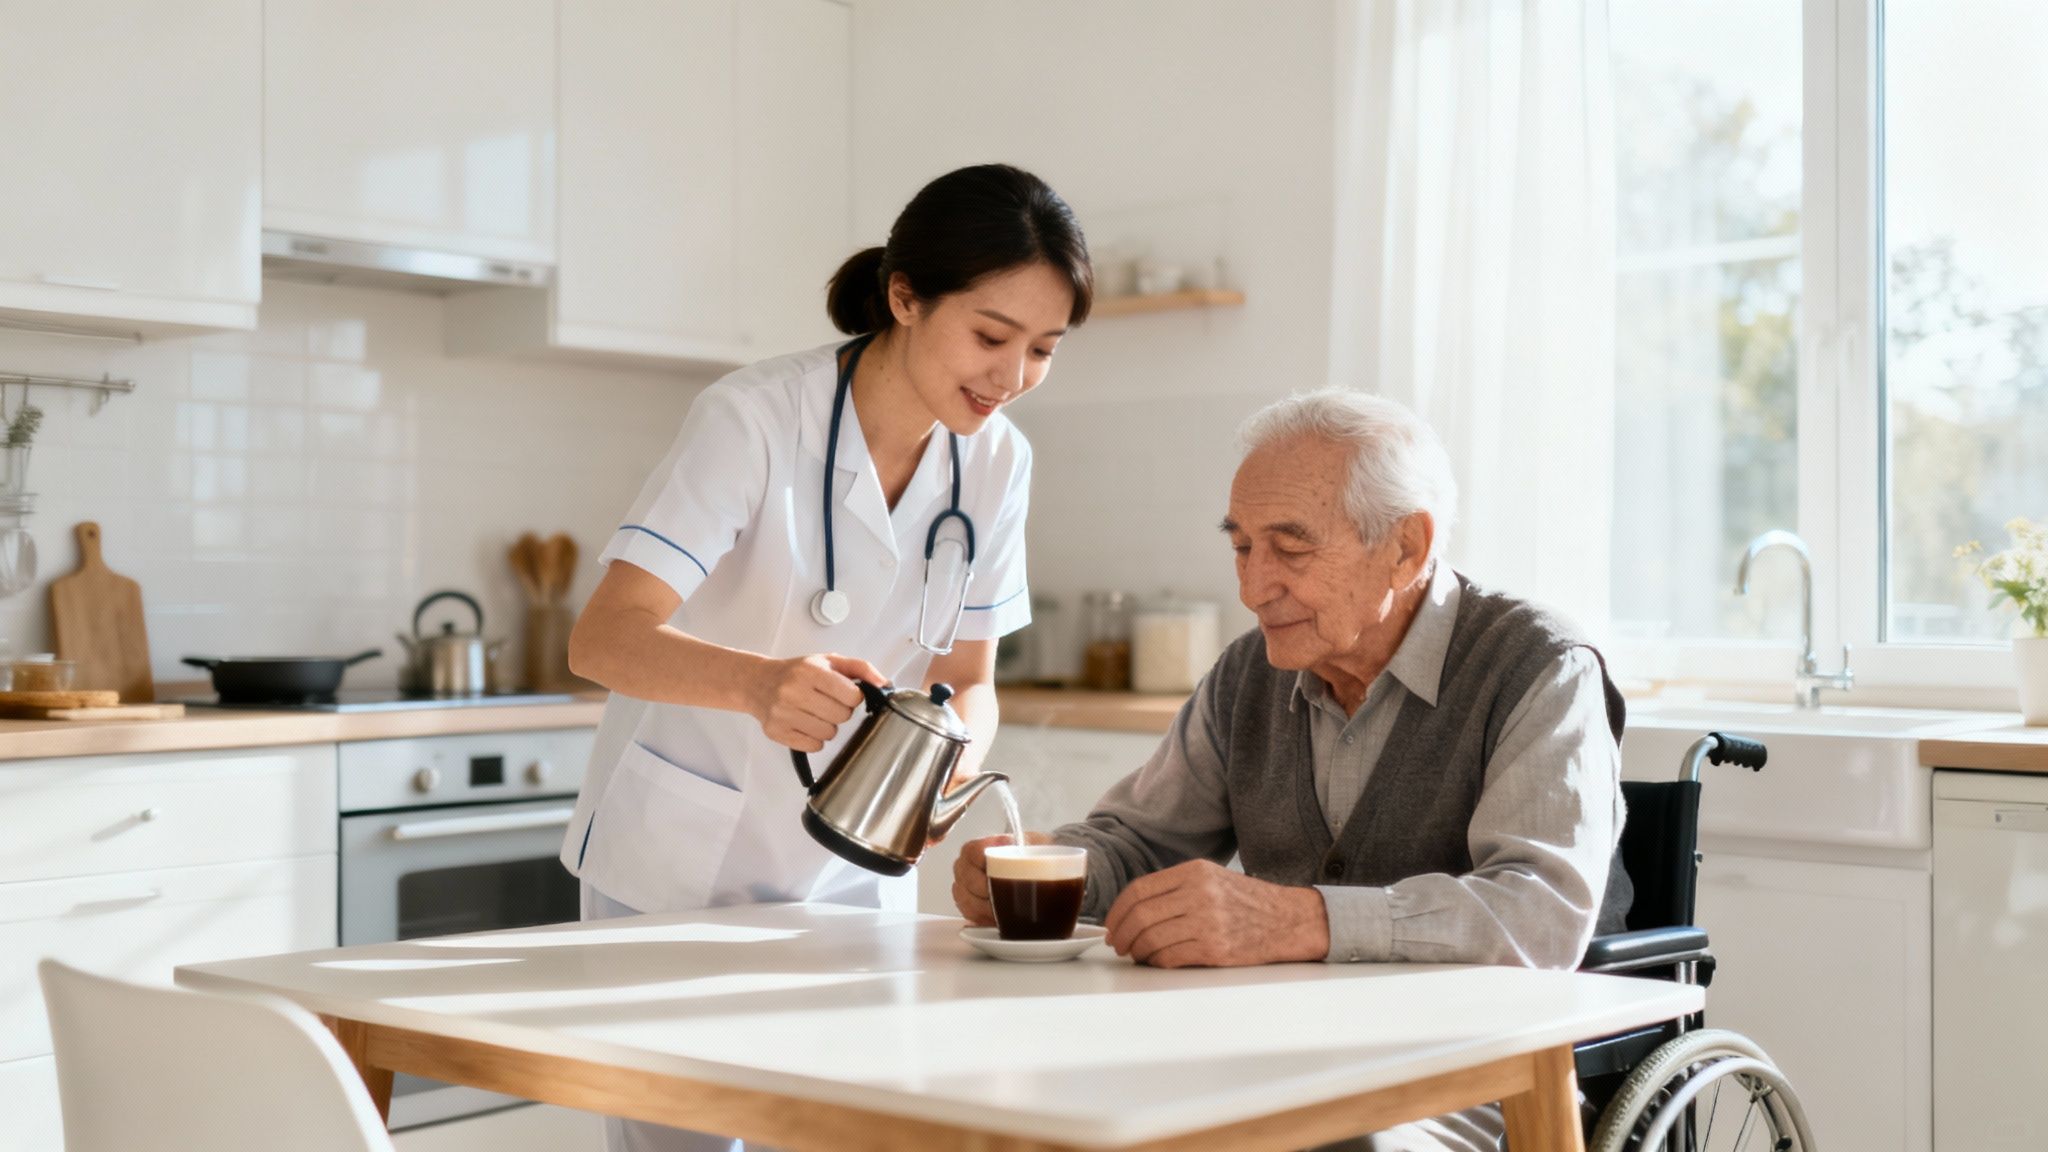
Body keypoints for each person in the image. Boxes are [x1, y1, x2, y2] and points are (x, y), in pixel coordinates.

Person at [564, 163, 1091, 1152]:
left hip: (853, 873)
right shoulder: (755, 418)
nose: (1011, 376)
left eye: (1042, 349)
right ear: (905, 297)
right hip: (683, 863)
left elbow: (970, 680)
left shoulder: (997, 460)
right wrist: (756, 684)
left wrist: (946, 768)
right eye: (990, 337)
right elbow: (602, 638)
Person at [952, 389, 1630, 1152]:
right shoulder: (1250, 672)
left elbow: (1537, 914)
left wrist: (1299, 920)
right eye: (1242, 546)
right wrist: (1049, 870)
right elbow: (1141, 843)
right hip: (1274, 1048)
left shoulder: (1540, 666)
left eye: (1291, 548)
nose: (1252, 587)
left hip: (1477, 1068)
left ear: (1406, 548)